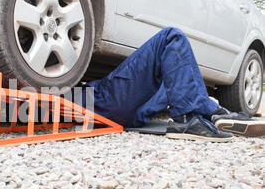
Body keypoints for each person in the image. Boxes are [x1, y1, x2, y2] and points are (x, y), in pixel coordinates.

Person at [80, 27, 265, 142]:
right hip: (100, 100)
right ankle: (197, 115)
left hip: (129, 109)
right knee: (171, 37)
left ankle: (211, 114)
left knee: (177, 76)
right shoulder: (62, 94)